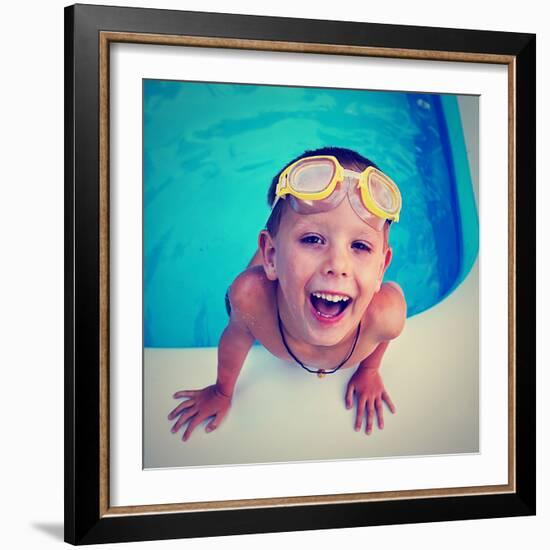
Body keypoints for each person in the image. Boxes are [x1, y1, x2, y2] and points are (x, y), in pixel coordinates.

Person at [168, 146, 407, 441]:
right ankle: (275, 253)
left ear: (381, 269)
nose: (338, 265)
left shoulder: (386, 316)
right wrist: (221, 391)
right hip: (265, 282)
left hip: (292, 273)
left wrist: (369, 371)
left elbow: (382, 338)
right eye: (313, 238)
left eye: (360, 246)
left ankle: (290, 245)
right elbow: (236, 336)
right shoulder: (253, 301)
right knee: (237, 299)